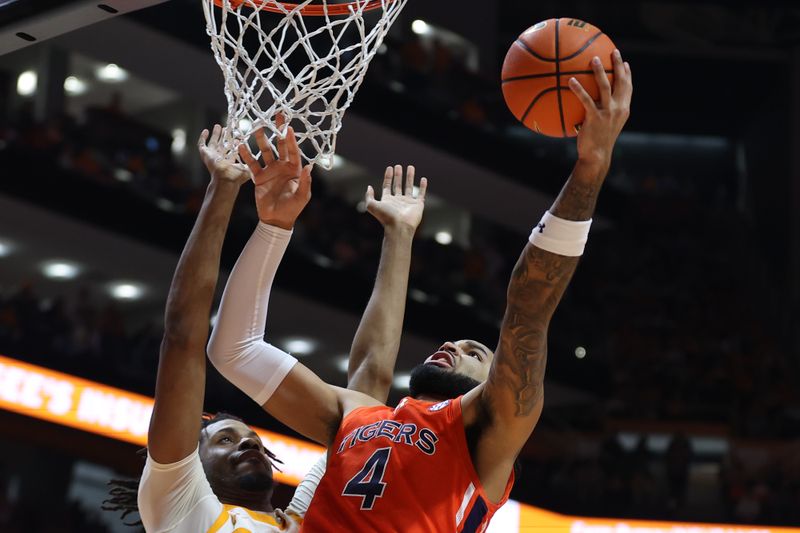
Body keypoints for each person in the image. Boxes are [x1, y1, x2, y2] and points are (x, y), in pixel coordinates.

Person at [208, 51, 633, 532]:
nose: (452, 344)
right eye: (457, 342)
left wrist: (591, 166)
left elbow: (529, 307)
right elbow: (239, 352)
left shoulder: (487, 431)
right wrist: (389, 235)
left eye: (475, 351)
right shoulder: (356, 416)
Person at [104, 118, 428, 531]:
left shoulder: (301, 519)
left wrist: (398, 236)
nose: (248, 442)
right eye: (225, 440)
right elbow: (183, 336)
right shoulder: (181, 504)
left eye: (249, 439)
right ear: (193, 465)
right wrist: (222, 188)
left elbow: (365, 396)